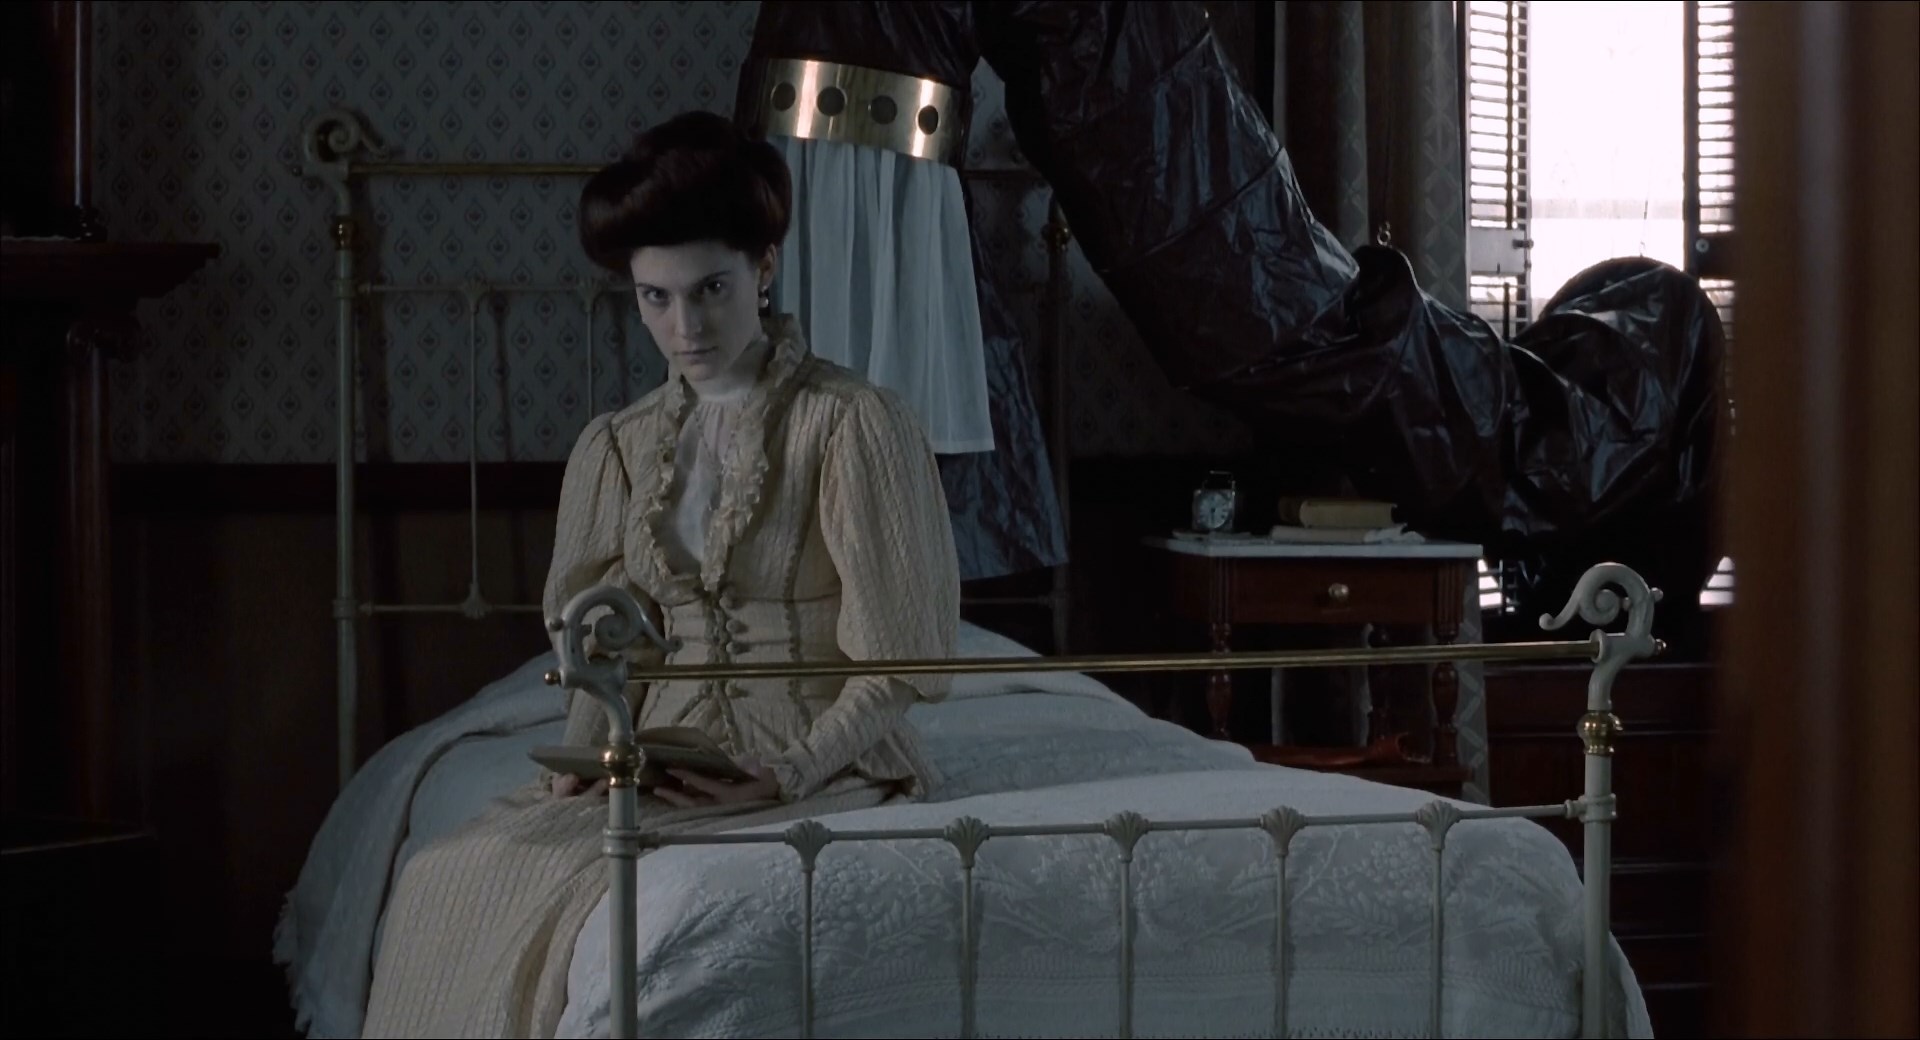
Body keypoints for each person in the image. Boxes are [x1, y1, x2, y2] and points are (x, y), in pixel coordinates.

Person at [359, 110, 962, 1039]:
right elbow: (603, 641)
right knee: (459, 869)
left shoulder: (850, 424)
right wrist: (586, 757)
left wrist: (794, 768)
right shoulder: (621, 446)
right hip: (664, 755)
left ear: (764, 267)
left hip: (824, 750)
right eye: (655, 298)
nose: (686, 327)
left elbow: (902, 659)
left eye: (711, 289)